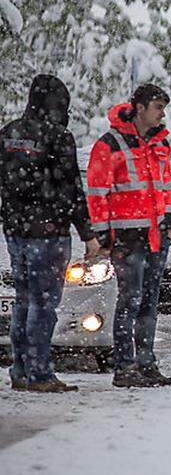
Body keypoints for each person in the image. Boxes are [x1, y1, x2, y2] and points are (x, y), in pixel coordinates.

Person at [1, 75, 101, 393]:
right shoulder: (59, 137)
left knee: (23, 301)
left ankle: (20, 368)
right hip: (48, 233)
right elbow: (71, 188)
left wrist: (10, 219)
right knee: (43, 305)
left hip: (17, 232)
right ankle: (39, 372)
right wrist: (88, 234)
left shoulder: (8, 135)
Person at [86, 83, 171, 388]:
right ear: (139, 107)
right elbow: (98, 193)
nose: (162, 113)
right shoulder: (110, 145)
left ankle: (146, 362)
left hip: (155, 234)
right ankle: (125, 367)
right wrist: (101, 234)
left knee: (150, 302)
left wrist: (169, 217)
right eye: (158, 107)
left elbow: (164, 187)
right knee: (130, 300)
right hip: (127, 237)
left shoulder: (161, 144)